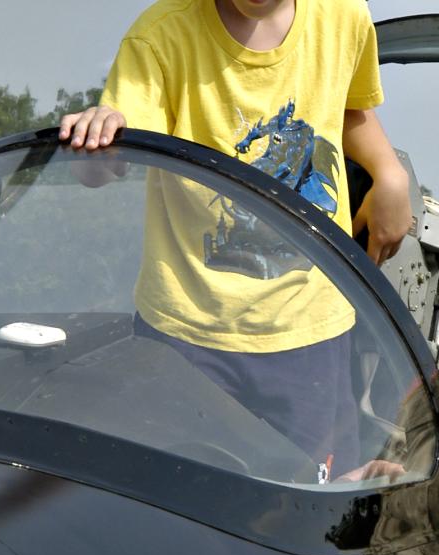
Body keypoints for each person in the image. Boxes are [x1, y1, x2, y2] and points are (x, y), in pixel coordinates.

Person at [58, 0, 412, 478]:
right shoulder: (159, 36)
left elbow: (350, 106)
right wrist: (96, 135)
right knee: (181, 504)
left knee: (315, 510)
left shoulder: (344, 16)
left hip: (309, 327)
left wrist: (389, 175)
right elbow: (109, 157)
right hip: (188, 331)